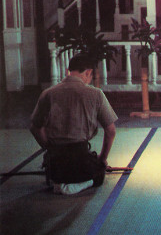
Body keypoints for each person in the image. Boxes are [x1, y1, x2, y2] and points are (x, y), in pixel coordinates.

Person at [30, 55, 118, 195]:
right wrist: (102, 159)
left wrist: (49, 148)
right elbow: (110, 131)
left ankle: (60, 182)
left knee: (59, 169)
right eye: (90, 76)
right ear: (88, 72)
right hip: (80, 156)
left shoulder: (48, 93)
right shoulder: (96, 94)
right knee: (99, 176)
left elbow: (35, 127)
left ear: (68, 71)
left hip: (56, 161)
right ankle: (73, 186)